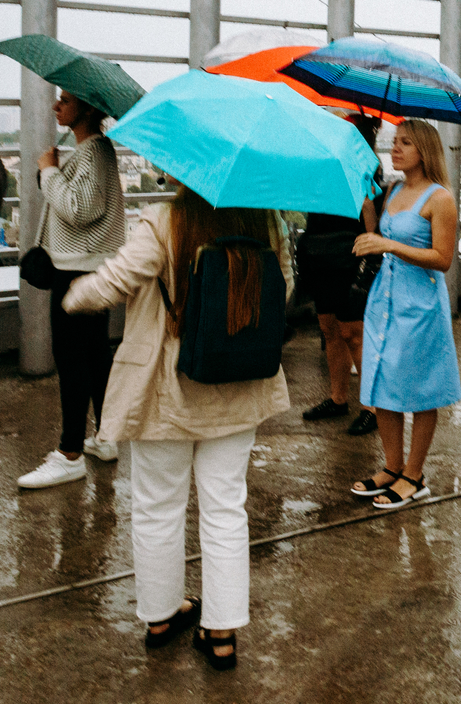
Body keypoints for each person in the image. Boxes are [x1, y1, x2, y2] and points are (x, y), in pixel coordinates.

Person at [62, 183, 293, 671]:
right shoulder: (263, 222)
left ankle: (162, 616)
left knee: (157, 506)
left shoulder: (165, 219)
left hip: (166, 384)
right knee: (226, 507)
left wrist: (71, 296)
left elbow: (114, 282)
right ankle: (223, 632)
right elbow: (284, 288)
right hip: (238, 381)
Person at [18, 90, 129, 489]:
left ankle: (69, 454)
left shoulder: (95, 151)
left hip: (77, 271)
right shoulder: (92, 151)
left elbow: (81, 210)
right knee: (95, 356)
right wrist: (57, 170)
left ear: (87, 108)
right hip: (88, 267)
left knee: (72, 360)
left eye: (65, 99)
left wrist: (48, 171)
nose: (55, 105)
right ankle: (105, 437)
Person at [348, 119, 460, 510]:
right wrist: (367, 205)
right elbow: (377, 235)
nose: (395, 148)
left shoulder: (439, 198)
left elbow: (442, 259)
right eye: (394, 141)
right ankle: (392, 467)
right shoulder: (394, 188)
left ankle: (415, 474)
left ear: (424, 150)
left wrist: (388, 245)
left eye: (405, 142)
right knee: (382, 382)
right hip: (384, 299)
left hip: (420, 303)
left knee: (420, 386)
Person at [297, 114, 383, 435]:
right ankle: (338, 398)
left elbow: (369, 208)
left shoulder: (364, 162)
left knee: (353, 332)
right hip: (319, 252)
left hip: (349, 253)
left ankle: (372, 407)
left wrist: (371, 253)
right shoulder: (319, 161)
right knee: (329, 328)